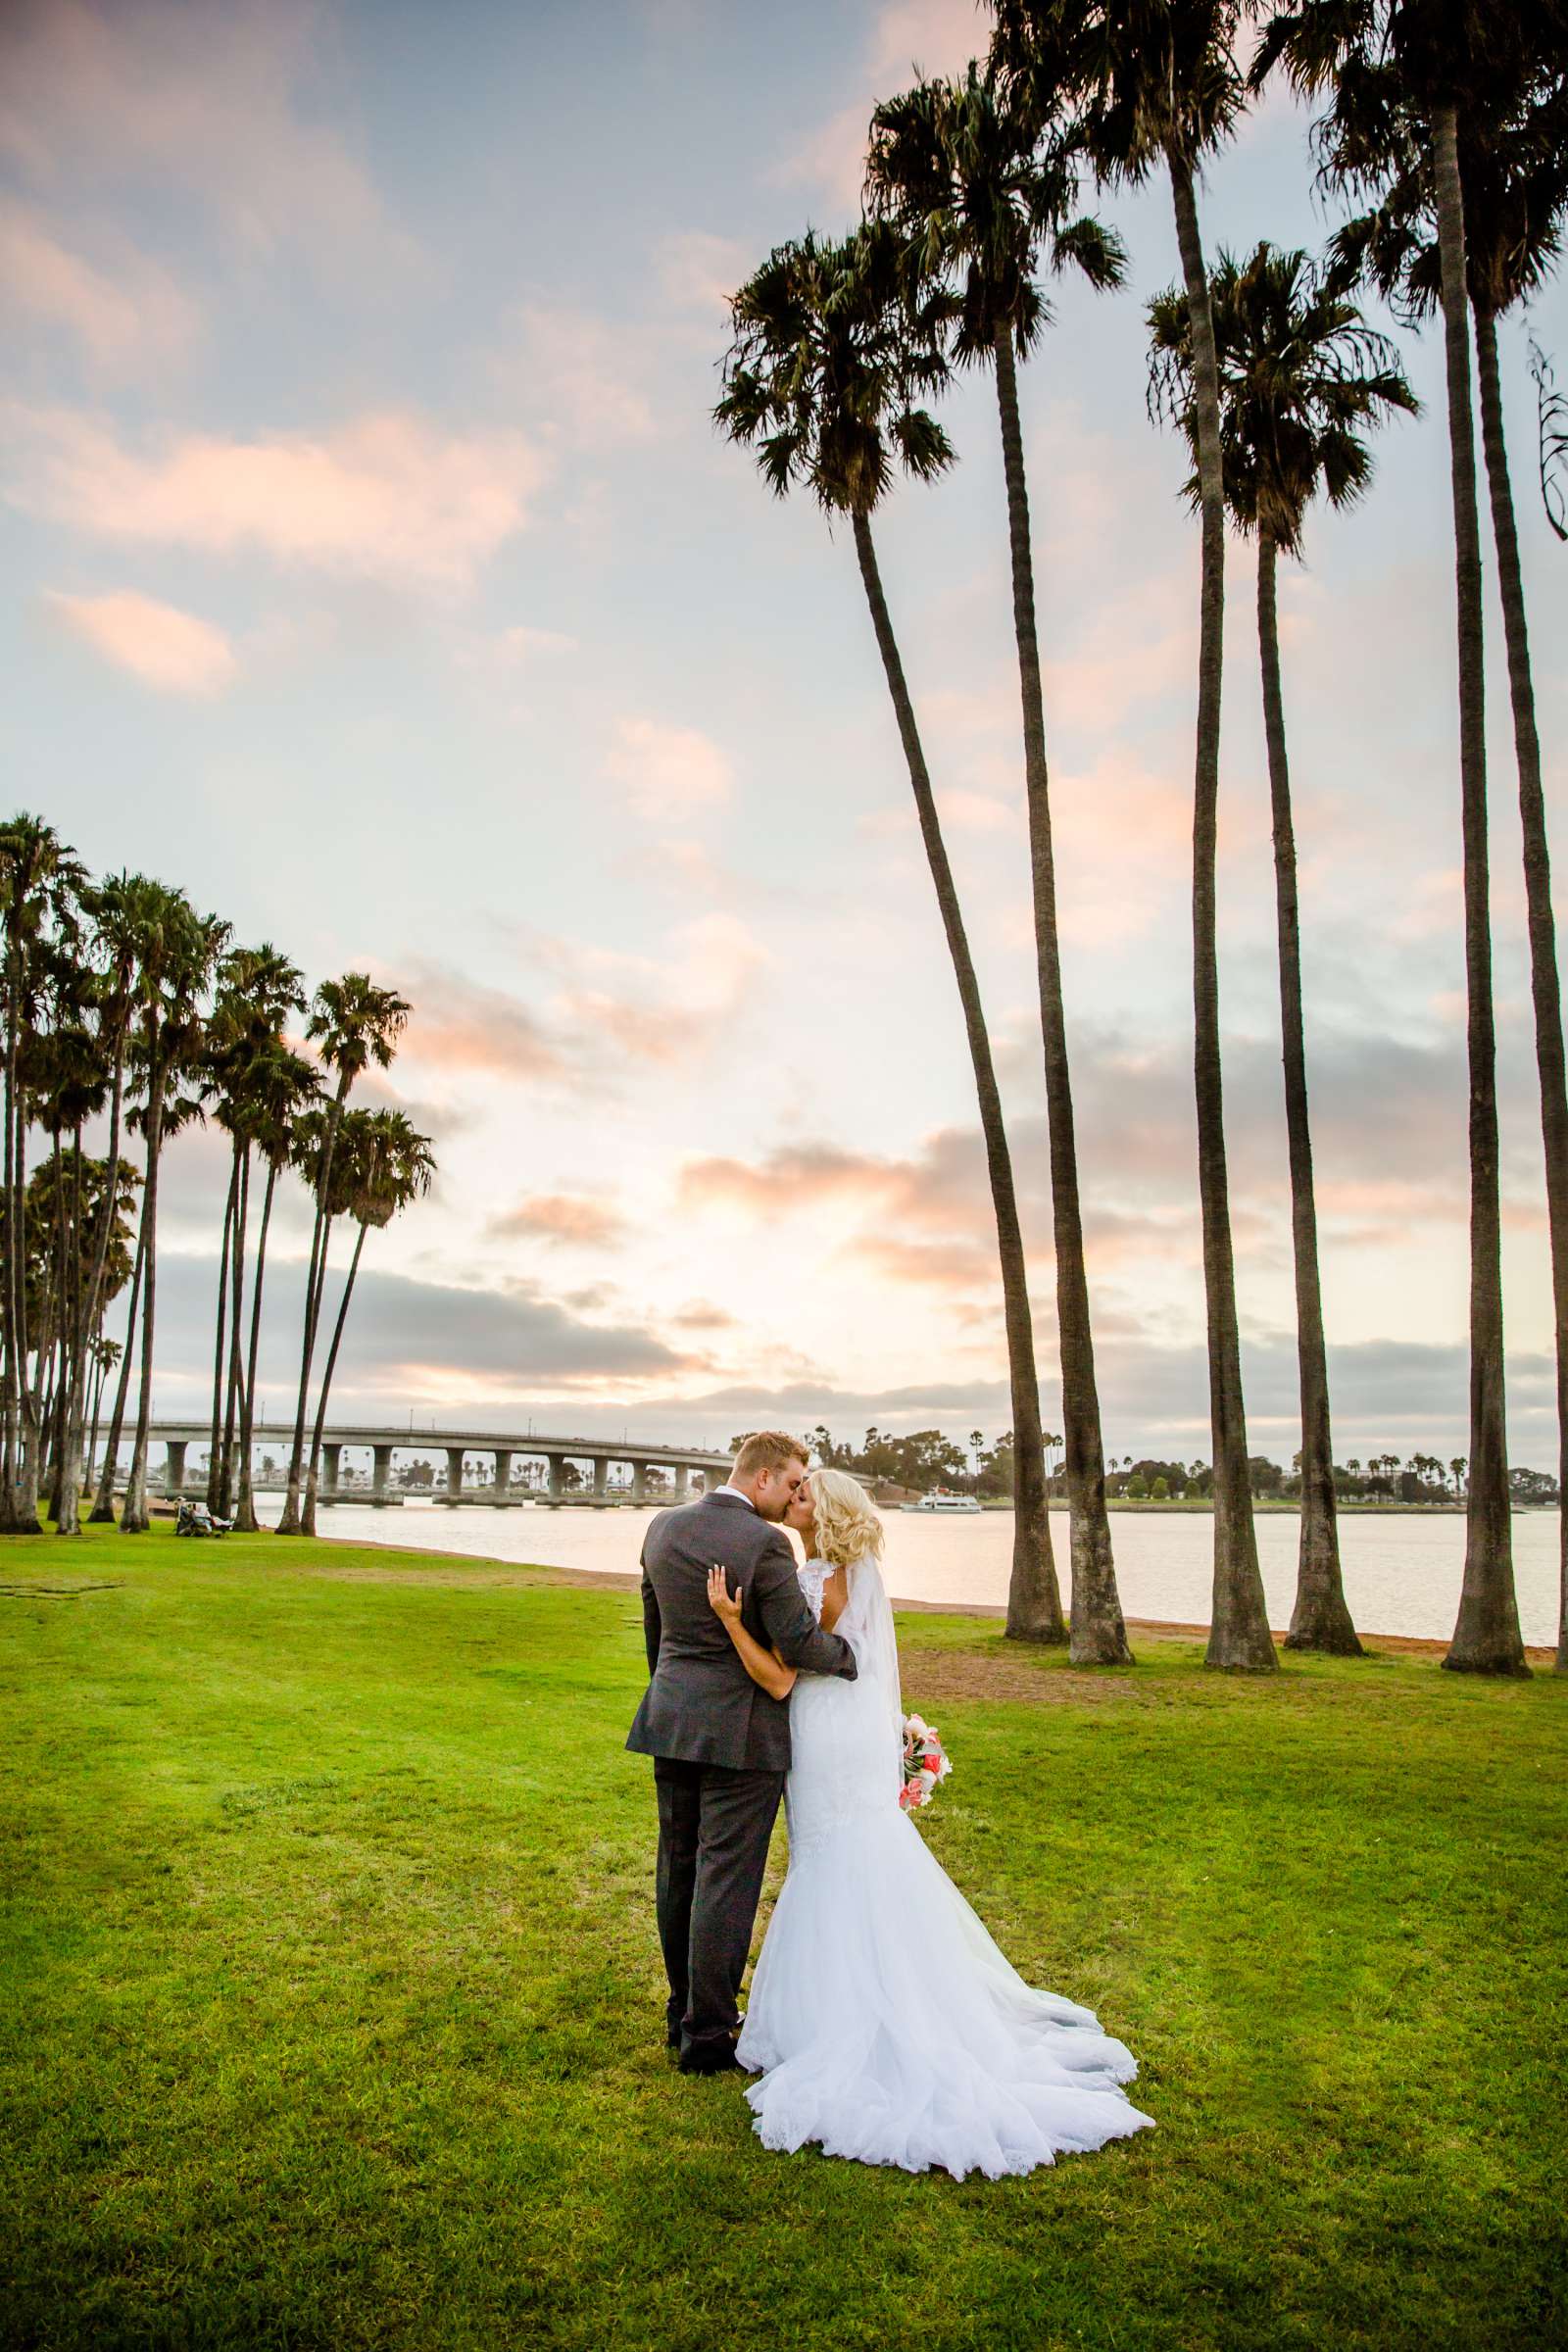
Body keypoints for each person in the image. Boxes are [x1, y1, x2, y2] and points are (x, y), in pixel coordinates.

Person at [706, 1465, 1155, 2178]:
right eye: (789, 1489)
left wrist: (732, 1621)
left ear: (823, 1510)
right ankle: (852, 2001)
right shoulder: (833, 1566)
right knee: (847, 1853)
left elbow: (791, 1667)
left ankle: (848, 2020)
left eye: (800, 1494)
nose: (789, 1499)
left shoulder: (824, 1578)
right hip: (843, 1730)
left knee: (832, 1859)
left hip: (825, 1732)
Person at [625, 1431, 858, 2074]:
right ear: (761, 1478)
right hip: (741, 1735)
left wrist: (671, 1694)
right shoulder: (763, 1544)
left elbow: (657, 1630)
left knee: (677, 1866)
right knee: (725, 1879)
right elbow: (799, 1639)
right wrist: (851, 1656)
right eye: (790, 1484)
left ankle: (683, 2013)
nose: (793, 1499)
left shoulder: (663, 1528)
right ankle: (707, 2039)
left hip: (670, 1720)